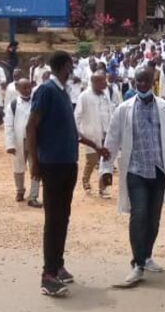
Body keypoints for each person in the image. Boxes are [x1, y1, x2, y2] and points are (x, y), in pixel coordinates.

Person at [27, 51, 110, 297]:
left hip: (67, 163)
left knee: (63, 216)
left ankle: (58, 264)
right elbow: (31, 126)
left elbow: (72, 131)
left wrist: (95, 146)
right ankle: (48, 275)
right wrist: (34, 162)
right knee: (53, 218)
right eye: (70, 66)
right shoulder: (46, 91)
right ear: (64, 66)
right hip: (51, 164)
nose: (72, 70)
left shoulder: (63, 93)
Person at [101, 68, 165, 289]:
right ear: (134, 81)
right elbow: (112, 139)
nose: (142, 83)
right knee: (138, 215)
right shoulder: (123, 110)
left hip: (158, 170)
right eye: (138, 80)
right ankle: (137, 264)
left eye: (146, 80)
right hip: (135, 170)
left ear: (153, 81)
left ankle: (147, 256)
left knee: (154, 218)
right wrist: (106, 169)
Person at [74, 70, 115, 198]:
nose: (105, 83)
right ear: (94, 82)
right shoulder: (84, 96)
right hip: (91, 135)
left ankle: (103, 189)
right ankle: (85, 180)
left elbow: (110, 112)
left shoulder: (105, 95)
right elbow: (77, 116)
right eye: (103, 81)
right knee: (92, 160)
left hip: (106, 133)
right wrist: (79, 132)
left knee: (106, 161)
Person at [4, 79, 40, 206]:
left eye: (29, 87)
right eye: (24, 87)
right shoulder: (13, 105)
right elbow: (8, 125)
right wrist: (10, 144)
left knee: (36, 166)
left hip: (34, 142)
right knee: (18, 167)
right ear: (18, 89)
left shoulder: (36, 103)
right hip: (19, 141)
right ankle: (20, 190)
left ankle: (33, 196)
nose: (27, 90)